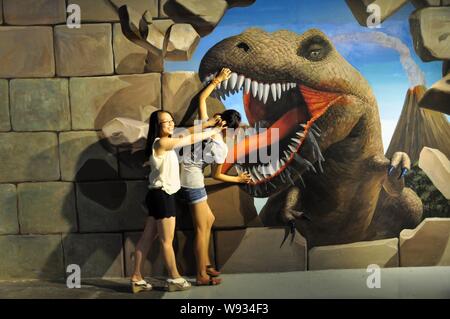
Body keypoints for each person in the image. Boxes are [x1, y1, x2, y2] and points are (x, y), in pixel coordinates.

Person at [130, 109, 226, 293]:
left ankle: (136, 277)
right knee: (166, 241)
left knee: (146, 238)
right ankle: (174, 278)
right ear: (157, 126)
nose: (171, 124)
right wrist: (213, 132)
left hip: (156, 195)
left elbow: (187, 133)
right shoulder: (163, 142)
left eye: (171, 121)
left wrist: (207, 124)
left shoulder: (161, 142)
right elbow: (188, 139)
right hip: (163, 196)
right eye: (166, 122)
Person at [179, 68, 252, 286]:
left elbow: (201, 98)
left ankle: (206, 263)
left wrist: (217, 80)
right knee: (201, 229)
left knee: (209, 220)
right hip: (192, 181)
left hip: (186, 176)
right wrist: (238, 180)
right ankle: (201, 273)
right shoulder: (220, 147)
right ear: (231, 130)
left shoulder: (206, 126)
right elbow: (217, 175)